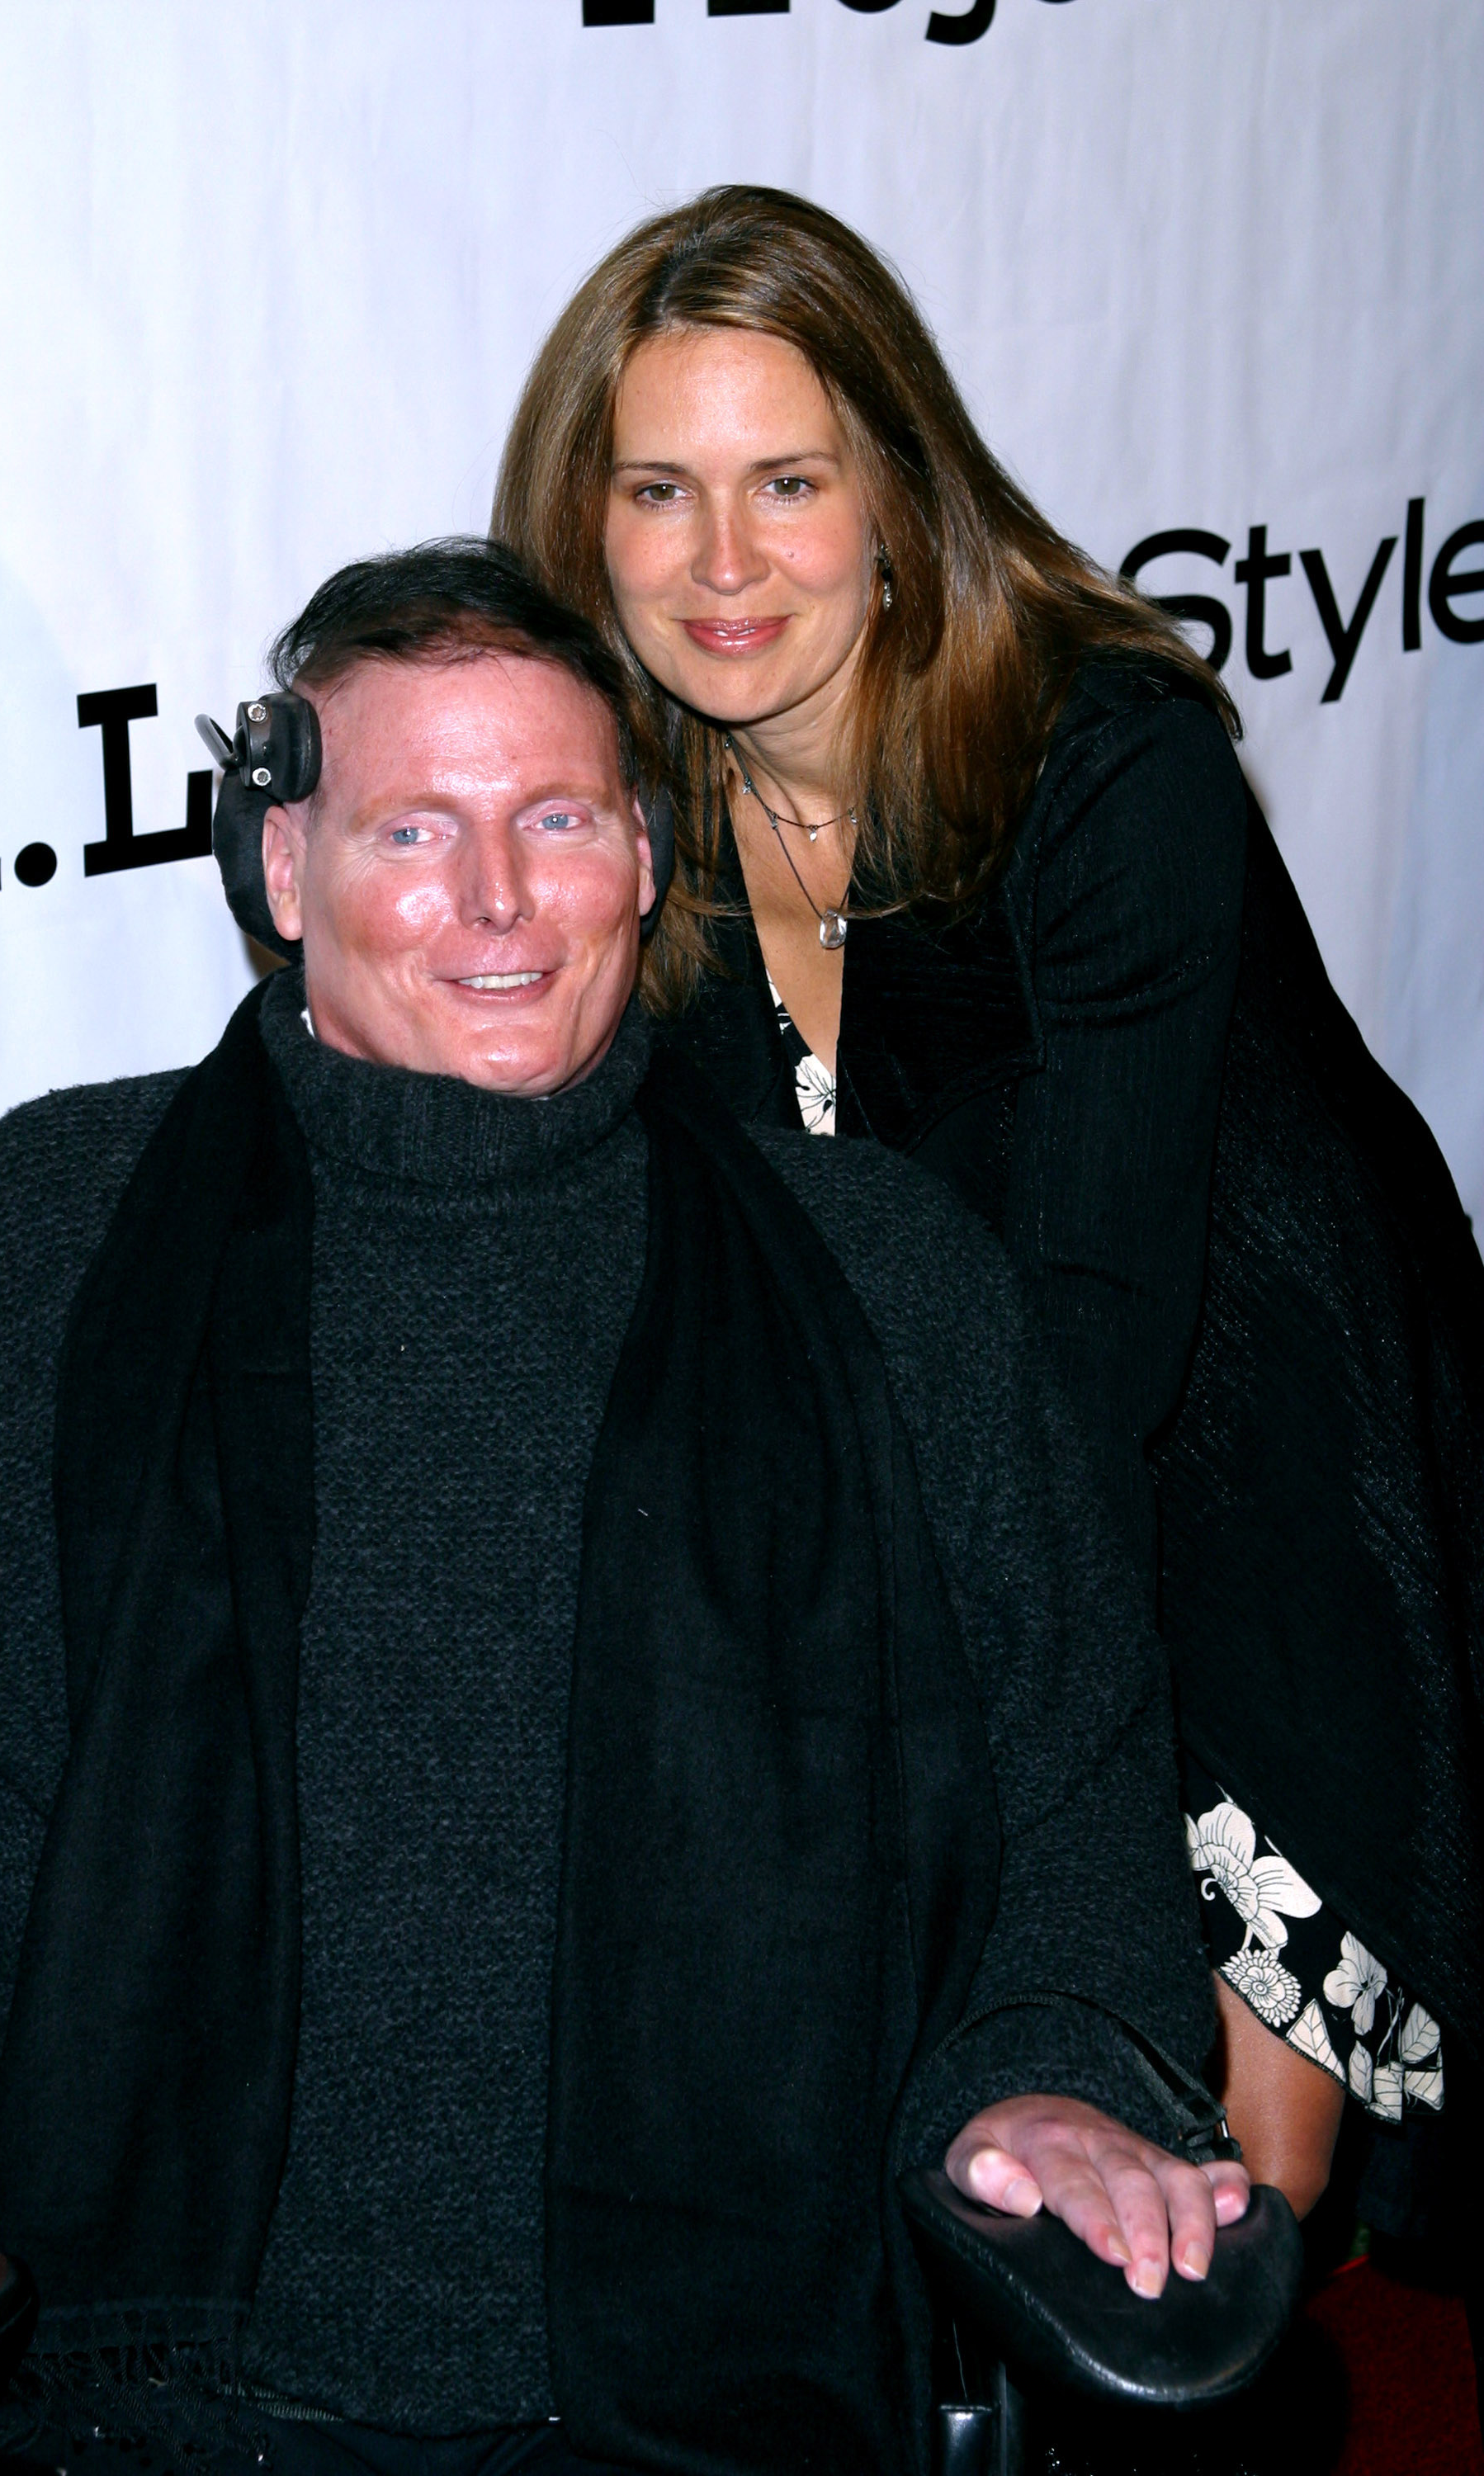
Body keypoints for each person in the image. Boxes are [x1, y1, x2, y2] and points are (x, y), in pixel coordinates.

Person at [0, 542, 1243, 2475]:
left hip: (736, 2391)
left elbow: (1073, 1782)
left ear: (638, 853)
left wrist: (1048, 2071)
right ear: (282, 872)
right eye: (410, 832)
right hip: (140, 2403)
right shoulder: (41, 1237)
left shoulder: (881, 1275)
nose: (497, 902)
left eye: (552, 817)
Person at [493, 186, 1484, 2227]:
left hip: (1242, 1383)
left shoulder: (1099, 756)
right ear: (585, 520)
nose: (726, 562)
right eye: (660, 492)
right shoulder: (612, 807)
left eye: (788, 480)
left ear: (895, 489)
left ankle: (1225, 2282)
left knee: (1192, 2154)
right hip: (909, 1420)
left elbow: (1107, 1327)